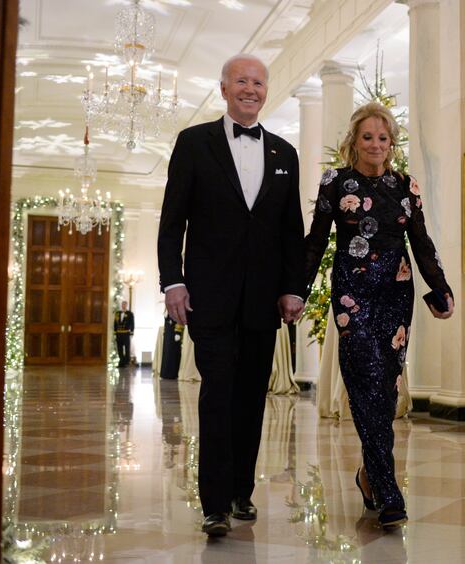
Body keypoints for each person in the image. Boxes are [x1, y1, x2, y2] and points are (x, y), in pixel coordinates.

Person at [157, 53, 305, 537]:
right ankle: (214, 503)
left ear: (267, 91)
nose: (251, 89)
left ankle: (242, 490)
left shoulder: (285, 153)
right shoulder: (194, 142)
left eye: (258, 83)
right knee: (217, 396)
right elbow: (172, 218)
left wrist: (292, 288)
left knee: (251, 400)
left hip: (264, 300)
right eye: (241, 81)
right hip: (211, 297)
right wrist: (171, 280)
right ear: (223, 89)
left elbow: (290, 230)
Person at [304, 102, 454, 529]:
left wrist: (440, 289)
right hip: (353, 293)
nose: (375, 144)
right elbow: (315, 242)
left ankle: (370, 476)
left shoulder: (405, 186)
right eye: (367, 137)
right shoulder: (335, 182)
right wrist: (296, 290)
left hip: (396, 293)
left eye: (382, 137)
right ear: (354, 140)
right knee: (365, 378)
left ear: (391, 143)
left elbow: (422, 243)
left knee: (385, 388)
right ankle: (388, 490)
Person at [113, 300, 134, 367]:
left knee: (127, 348)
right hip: (119, 333)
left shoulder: (130, 313)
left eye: (125, 304)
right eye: (122, 304)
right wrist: (115, 331)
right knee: (119, 348)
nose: (123, 306)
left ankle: (126, 362)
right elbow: (115, 323)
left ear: (126, 305)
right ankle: (121, 362)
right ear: (121, 305)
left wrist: (132, 331)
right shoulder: (117, 313)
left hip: (126, 333)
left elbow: (132, 323)